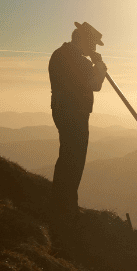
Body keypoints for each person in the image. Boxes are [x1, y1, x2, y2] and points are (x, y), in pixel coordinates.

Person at [48, 21, 106, 248]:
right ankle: (65, 210)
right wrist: (99, 66)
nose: (93, 48)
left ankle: (62, 204)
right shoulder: (78, 60)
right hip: (75, 113)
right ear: (82, 40)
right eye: (92, 44)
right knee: (74, 160)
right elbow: (95, 84)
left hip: (61, 110)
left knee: (67, 157)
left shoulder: (58, 54)